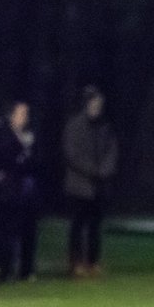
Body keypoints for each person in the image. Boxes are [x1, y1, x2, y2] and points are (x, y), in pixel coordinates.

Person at [63, 85, 118, 277]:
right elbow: (72, 154)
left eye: (99, 104)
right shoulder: (74, 126)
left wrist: (104, 170)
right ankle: (75, 262)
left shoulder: (105, 127)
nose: (97, 107)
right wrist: (93, 171)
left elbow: (112, 151)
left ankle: (93, 261)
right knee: (77, 225)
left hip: (99, 187)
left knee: (95, 226)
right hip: (79, 186)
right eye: (94, 103)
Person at [0, 100, 42, 281]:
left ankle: (26, 269)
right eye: (21, 113)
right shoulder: (3, 135)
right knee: (6, 230)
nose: (25, 118)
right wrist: (21, 154)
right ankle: (3, 267)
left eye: (26, 114)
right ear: (12, 116)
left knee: (29, 231)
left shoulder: (31, 136)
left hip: (28, 191)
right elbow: (4, 161)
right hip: (9, 191)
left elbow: (35, 163)